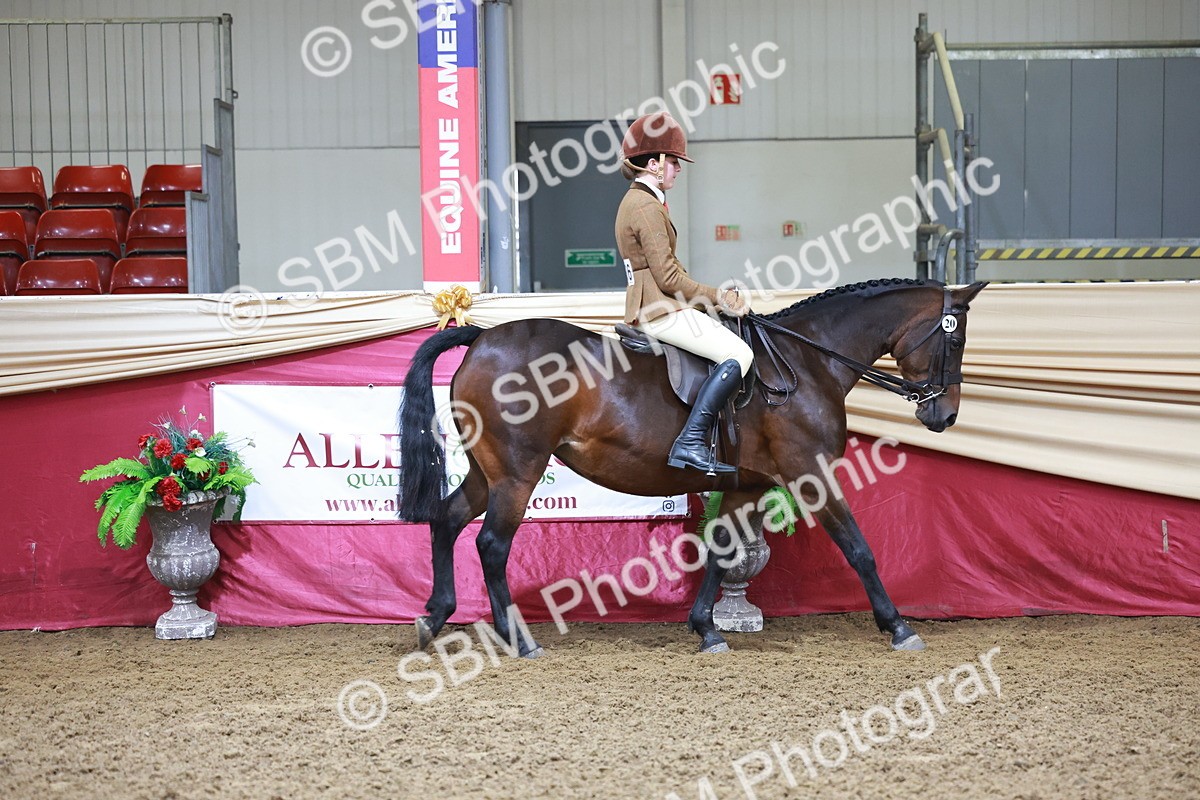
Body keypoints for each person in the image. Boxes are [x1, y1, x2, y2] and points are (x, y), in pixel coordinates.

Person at [614, 111, 754, 475]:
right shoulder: (645, 206)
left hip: (654, 304)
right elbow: (669, 276)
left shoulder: (643, 201)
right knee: (738, 353)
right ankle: (691, 441)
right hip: (658, 309)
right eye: (674, 161)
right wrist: (720, 298)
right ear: (655, 163)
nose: (678, 168)